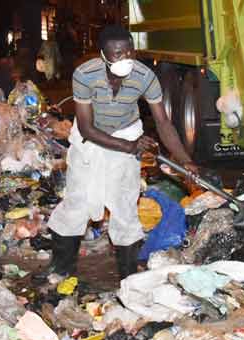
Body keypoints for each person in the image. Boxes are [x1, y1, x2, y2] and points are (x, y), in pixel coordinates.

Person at [38, 26, 197, 281]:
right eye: (116, 54)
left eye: (128, 52)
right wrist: (130, 147)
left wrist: (185, 160)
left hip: (125, 132)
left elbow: (163, 124)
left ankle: (128, 275)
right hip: (90, 139)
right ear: (103, 55)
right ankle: (62, 268)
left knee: (124, 206)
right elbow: (88, 129)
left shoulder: (145, 76)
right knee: (79, 202)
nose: (123, 58)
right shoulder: (85, 75)